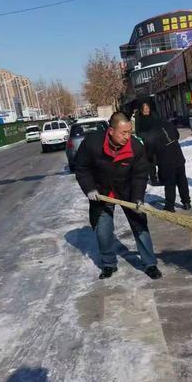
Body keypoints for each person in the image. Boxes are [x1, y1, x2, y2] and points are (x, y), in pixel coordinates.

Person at [74, 111, 162, 280]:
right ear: (111, 131)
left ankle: (150, 263)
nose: (127, 136)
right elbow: (81, 167)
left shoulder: (135, 147)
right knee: (103, 230)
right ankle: (108, 264)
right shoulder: (92, 143)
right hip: (102, 192)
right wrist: (90, 189)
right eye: (124, 133)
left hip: (128, 190)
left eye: (130, 132)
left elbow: (140, 175)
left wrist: (137, 197)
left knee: (140, 225)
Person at [139, 117, 191, 213]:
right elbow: (177, 135)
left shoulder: (150, 132)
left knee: (170, 182)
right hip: (178, 155)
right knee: (182, 180)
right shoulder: (168, 124)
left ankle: (170, 205)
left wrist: (152, 159)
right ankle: (186, 202)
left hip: (166, 160)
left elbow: (149, 151)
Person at [135, 102, 160, 186]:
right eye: (144, 109)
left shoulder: (154, 115)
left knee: (160, 160)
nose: (146, 110)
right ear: (142, 110)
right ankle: (154, 179)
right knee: (151, 162)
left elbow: (159, 125)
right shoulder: (139, 117)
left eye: (147, 108)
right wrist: (146, 137)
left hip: (157, 141)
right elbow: (138, 131)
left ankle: (162, 177)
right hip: (147, 144)